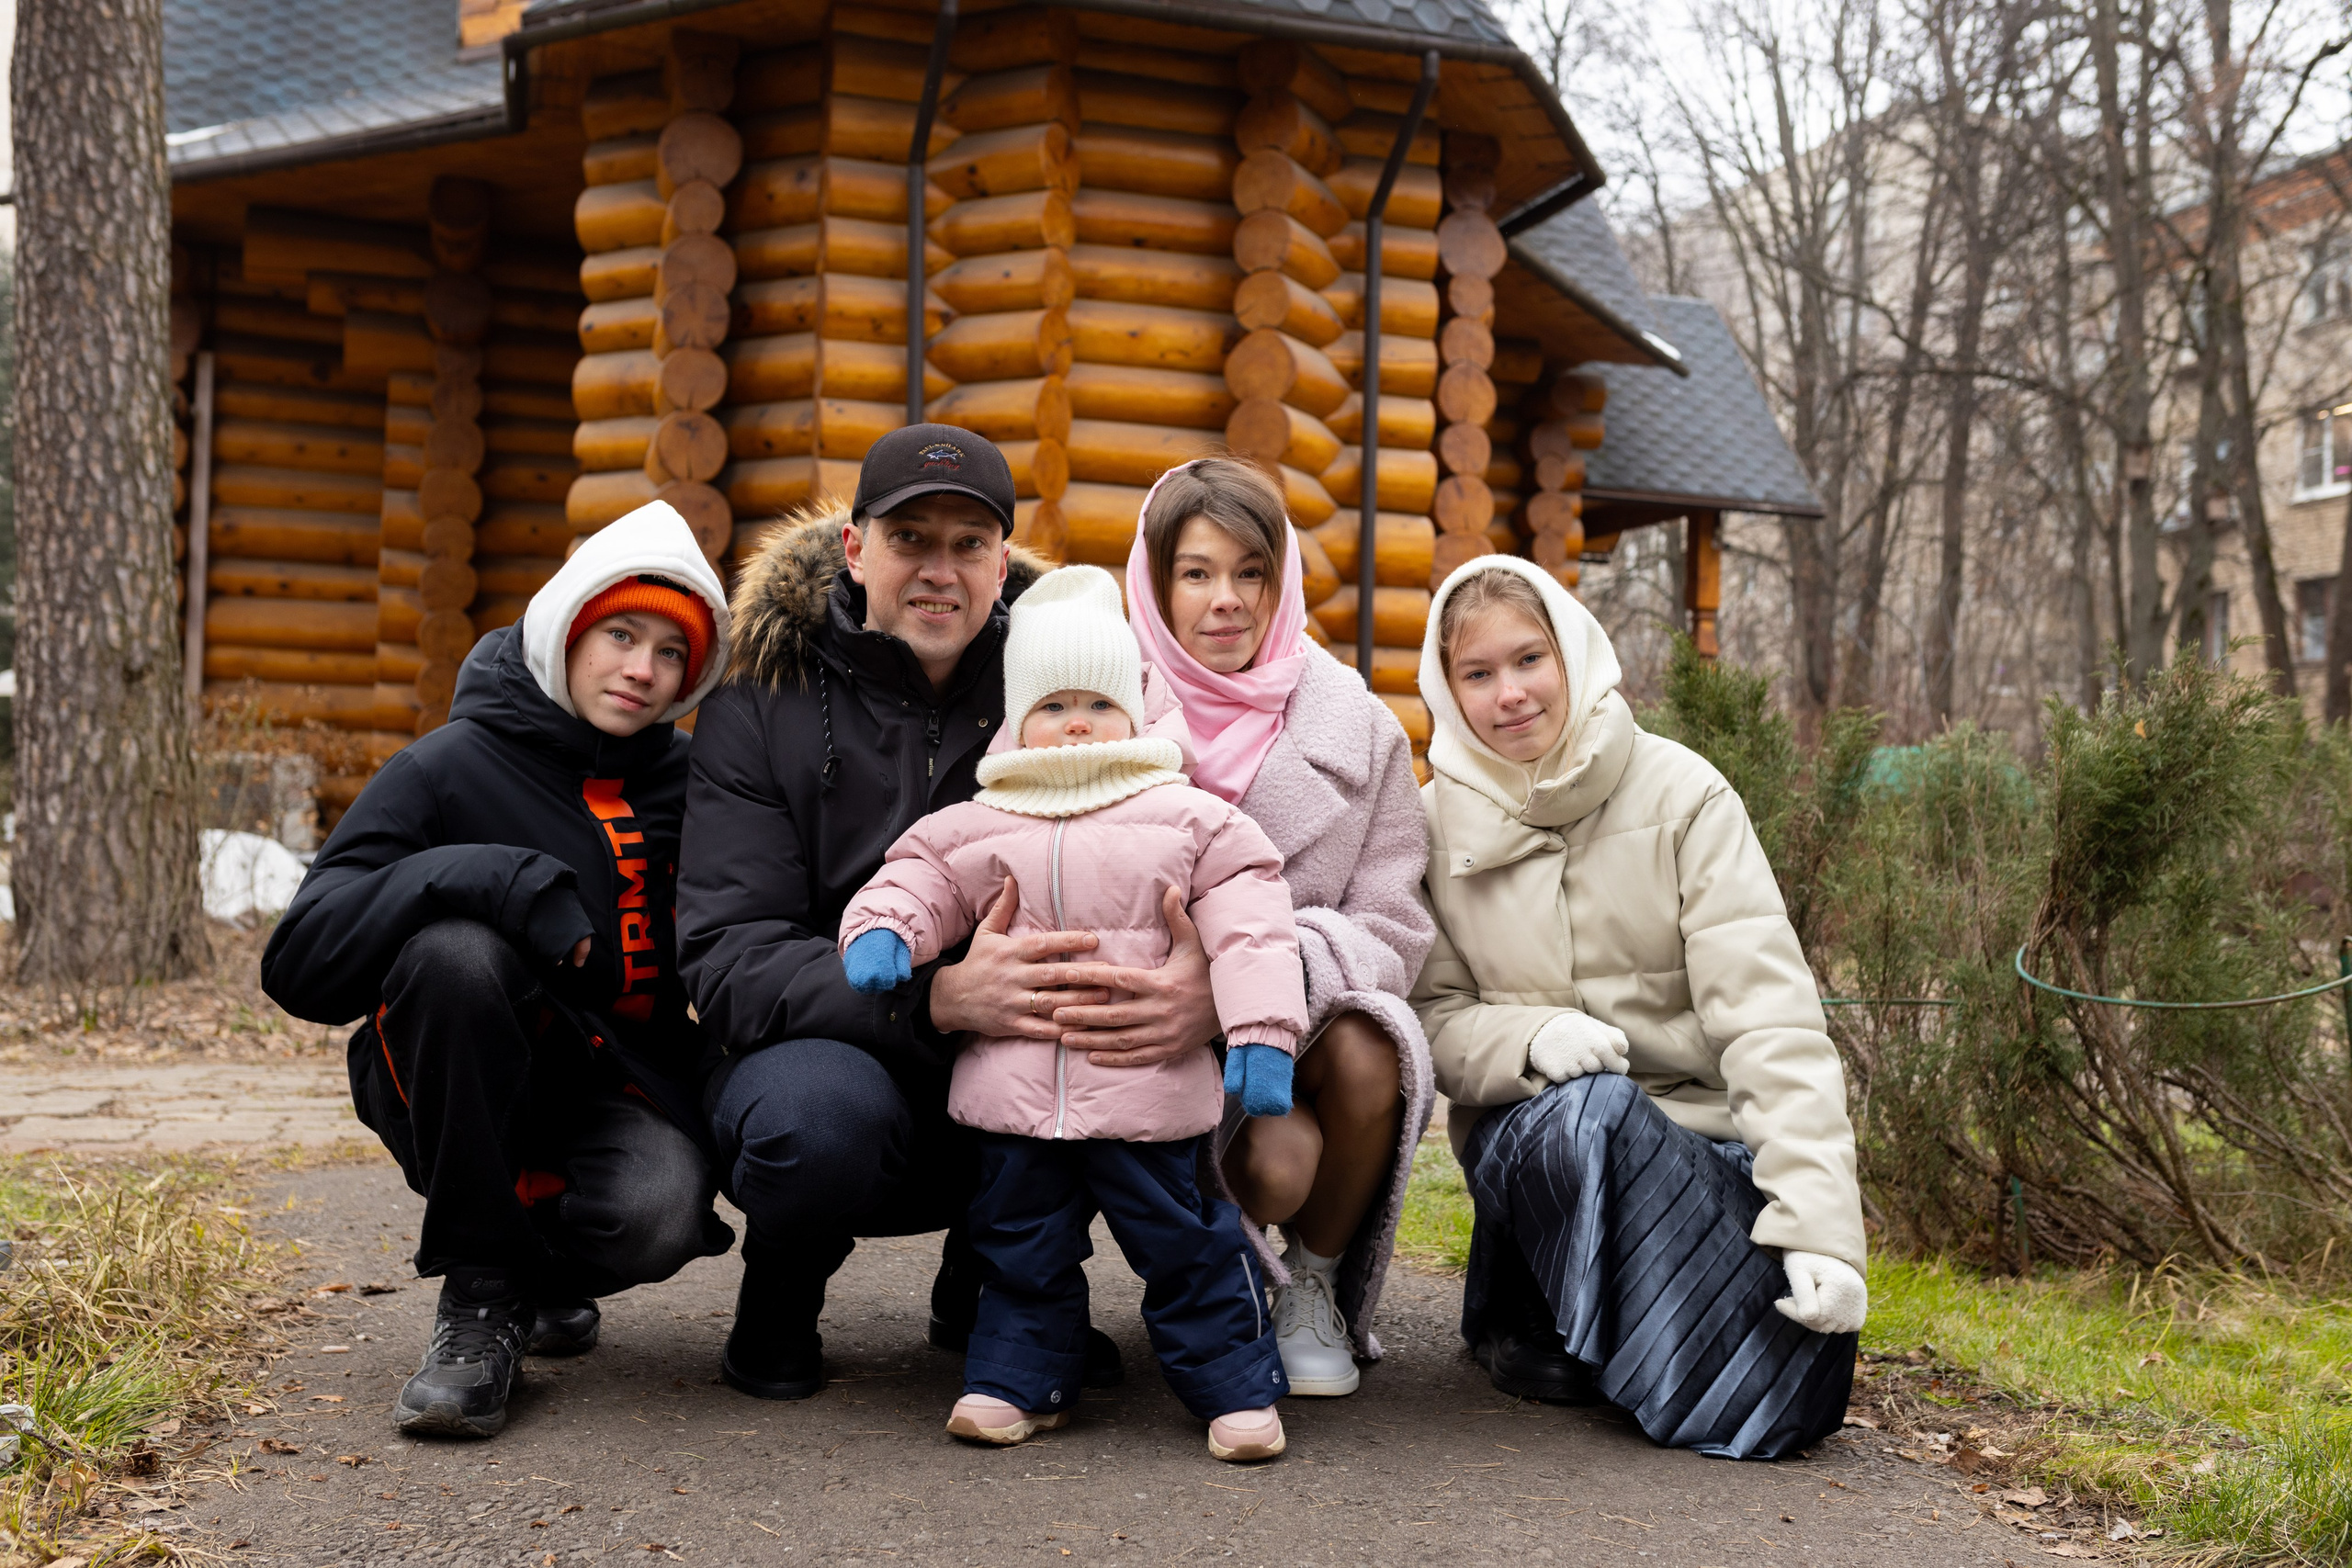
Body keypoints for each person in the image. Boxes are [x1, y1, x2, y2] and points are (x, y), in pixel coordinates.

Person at [678, 424, 1223, 1400]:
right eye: (909, 540)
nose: (941, 570)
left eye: (968, 544)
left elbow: (1180, 853)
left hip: (1027, 1042)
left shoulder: (1065, 688)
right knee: (816, 1119)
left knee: (1104, 1043)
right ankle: (781, 1293)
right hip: (823, 1047)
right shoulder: (761, 697)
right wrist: (934, 999)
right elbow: (729, 955)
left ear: (1001, 560)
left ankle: (996, 1296)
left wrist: (1198, 989)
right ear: (855, 549)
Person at [260, 501, 736, 1438]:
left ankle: (540, 1276)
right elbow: (301, 959)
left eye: (670, 653)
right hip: (460, 1075)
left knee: (660, 1215)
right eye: (620, 635)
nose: (641, 669)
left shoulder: (694, 784)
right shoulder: (447, 767)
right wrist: (492, 876)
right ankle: (479, 1298)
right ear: (565, 632)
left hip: (619, 1088)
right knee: (456, 954)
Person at [835, 564, 1305, 1461]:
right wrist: (884, 932)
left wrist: (1260, 1033)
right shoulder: (984, 818)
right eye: (1052, 705)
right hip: (1015, 1097)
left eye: (1097, 700)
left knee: (1189, 1247)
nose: (1076, 721)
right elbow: (917, 875)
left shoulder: (1187, 818)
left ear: (1135, 711)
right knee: (1016, 1249)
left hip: (1147, 1095)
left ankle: (1234, 1393)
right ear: (1018, 719)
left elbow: (1252, 923)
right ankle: (1017, 1383)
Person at [1410, 556, 1868, 1461]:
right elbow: (1427, 1018)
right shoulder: (1428, 827)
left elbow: (1768, 1021)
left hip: (1698, 1149)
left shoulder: (1683, 796)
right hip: (1541, 1135)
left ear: (1573, 655)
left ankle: (1595, 1323)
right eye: (1478, 673)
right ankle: (1543, 1302)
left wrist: (1819, 1230)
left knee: (1803, 1378)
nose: (1510, 693)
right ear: (1447, 689)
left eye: (1528, 659)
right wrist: (1530, 1036)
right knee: (1589, 1112)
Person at [1124, 458, 1434, 1397]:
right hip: (1144, 1027)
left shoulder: (1359, 729)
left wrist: (1270, 965)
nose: (1226, 601)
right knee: (1271, 1158)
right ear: (1154, 581)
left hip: (1296, 1023)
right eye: (1196, 572)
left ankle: (1312, 1285)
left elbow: (1393, 924)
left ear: (1283, 579)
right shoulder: (1097, 714)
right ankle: (1181, 1284)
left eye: (1250, 572)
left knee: (1373, 1053)